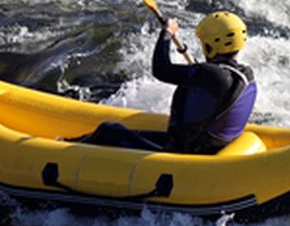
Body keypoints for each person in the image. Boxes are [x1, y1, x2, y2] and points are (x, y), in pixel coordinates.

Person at [69, 11, 257, 154]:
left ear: (209, 47)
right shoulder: (245, 74)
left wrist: (166, 33)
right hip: (206, 145)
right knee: (122, 132)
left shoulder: (211, 75)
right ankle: (69, 143)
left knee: (109, 130)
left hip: (185, 152)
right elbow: (206, 79)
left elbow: (161, 70)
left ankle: (64, 149)